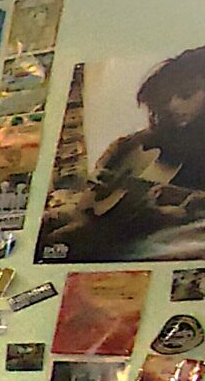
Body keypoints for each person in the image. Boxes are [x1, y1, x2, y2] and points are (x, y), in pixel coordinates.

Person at [43, 47, 205, 259]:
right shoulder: (132, 144)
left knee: (69, 238)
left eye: (186, 94)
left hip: (136, 233)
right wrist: (97, 186)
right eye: (165, 97)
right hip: (97, 219)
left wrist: (177, 203)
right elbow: (92, 200)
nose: (173, 105)